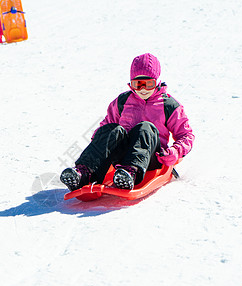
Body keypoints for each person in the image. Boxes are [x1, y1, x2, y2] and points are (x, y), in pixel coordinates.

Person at [60, 53, 195, 190]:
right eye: (138, 84)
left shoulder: (169, 106)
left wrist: (175, 151)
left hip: (151, 158)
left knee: (145, 128)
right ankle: (84, 172)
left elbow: (186, 135)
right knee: (113, 129)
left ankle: (131, 173)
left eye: (148, 84)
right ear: (131, 84)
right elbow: (105, 127)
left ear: (157, 81)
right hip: (121, 159)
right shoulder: (123, 101)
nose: (143, 89)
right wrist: (100, 144)